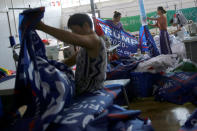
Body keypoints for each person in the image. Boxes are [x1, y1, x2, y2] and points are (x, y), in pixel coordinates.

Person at [36, 13, 107, 95]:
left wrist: (42, 27)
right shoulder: (85, 47)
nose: (73, 33)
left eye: (74, 30)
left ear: (86, 25)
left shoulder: (94, 40)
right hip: (81, 89)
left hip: (91, 91)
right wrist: (49, 67)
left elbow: (71, 38)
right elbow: (69, 62)